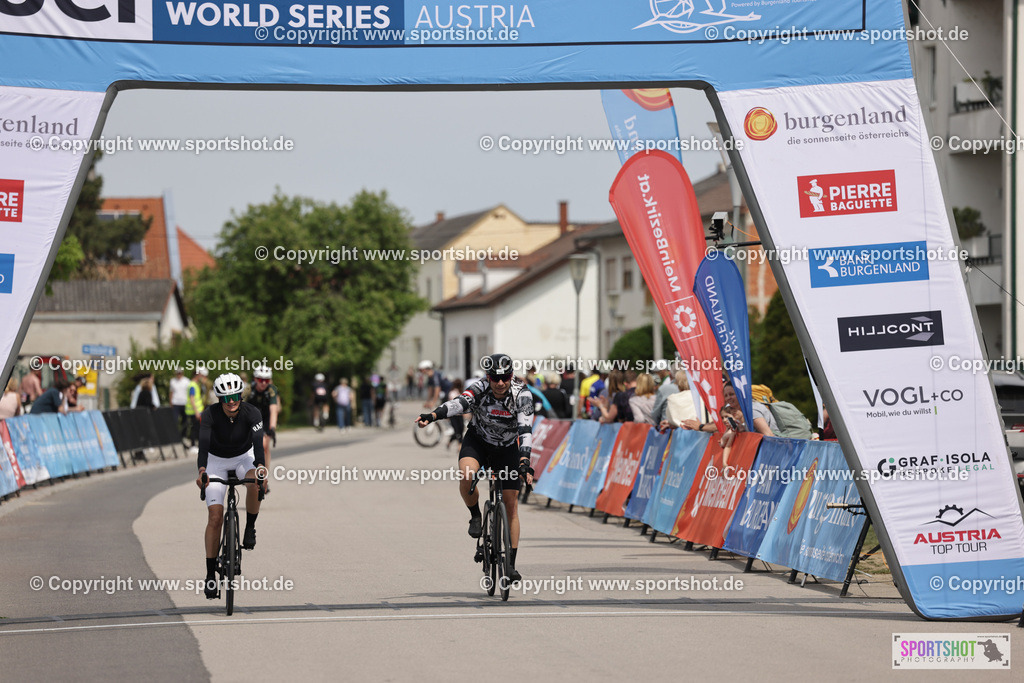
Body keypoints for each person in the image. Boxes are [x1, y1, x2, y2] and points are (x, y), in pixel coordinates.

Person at [415, 353, 534, 584]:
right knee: (467, 474)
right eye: (495, 378)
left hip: (507, 448)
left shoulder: (522, 394)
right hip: (478, 441)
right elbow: (458, 404)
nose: (500, 383)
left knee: (511, 505)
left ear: (511, 376)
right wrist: (433, 415)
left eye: (505, 378)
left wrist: (524, 462)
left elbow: (525, 430)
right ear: (488, 377)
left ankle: (511, 565)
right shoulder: (480, 388)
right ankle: (476, 516)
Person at [195, 373, 268, 599]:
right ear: (219, 399)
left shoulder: (252, 413)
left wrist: (261, 467)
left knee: (256, 482)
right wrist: (202, 471)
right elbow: (203, 446)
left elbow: (258, 445)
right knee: (215, 517)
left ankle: (250, 527)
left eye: (235, 396)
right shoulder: (209, 415)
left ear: (240, 395)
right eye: (226, 398)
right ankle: (210, 575)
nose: (231, 401)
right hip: (215, 461)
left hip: (242, 457)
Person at [246, 365, 279, 491]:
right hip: (250, 419)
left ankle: (263, 477)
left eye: (266, 380)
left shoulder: (272, 390)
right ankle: (248, 472)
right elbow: (240, 406)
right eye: (261, 380)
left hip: (264, 420)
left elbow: (273, 409)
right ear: (255, 379)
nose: (263, 383)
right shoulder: (248, 389)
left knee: (264, 446)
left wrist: (272, 428)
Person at [185, 367, 208, 450]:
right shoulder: (193, 385)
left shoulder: (196, 384)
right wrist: (196, 412)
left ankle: (196, 444)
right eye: (200, 375)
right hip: (194, 411)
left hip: (197, 410)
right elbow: (192, 399)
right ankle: (193, 445)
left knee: (197, 428)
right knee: (194, 428)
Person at [650, 360, 678, 426]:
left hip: (667, 423)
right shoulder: (666, 381)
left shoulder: (666, 383)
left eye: (657, 372)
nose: (656, 374)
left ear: (663, 370)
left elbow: (656, 411)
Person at [169, 367, 190, 440]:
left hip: (184, 403)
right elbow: (171, 392)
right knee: (175, 420)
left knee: (185, 420)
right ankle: (174, 436)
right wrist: (170, 402)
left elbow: (189, 393)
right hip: (175, 403)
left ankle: (183, 435)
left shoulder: (187, 381)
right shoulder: (172, 381)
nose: (179, 374)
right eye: (178, 373)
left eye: (180, 373)